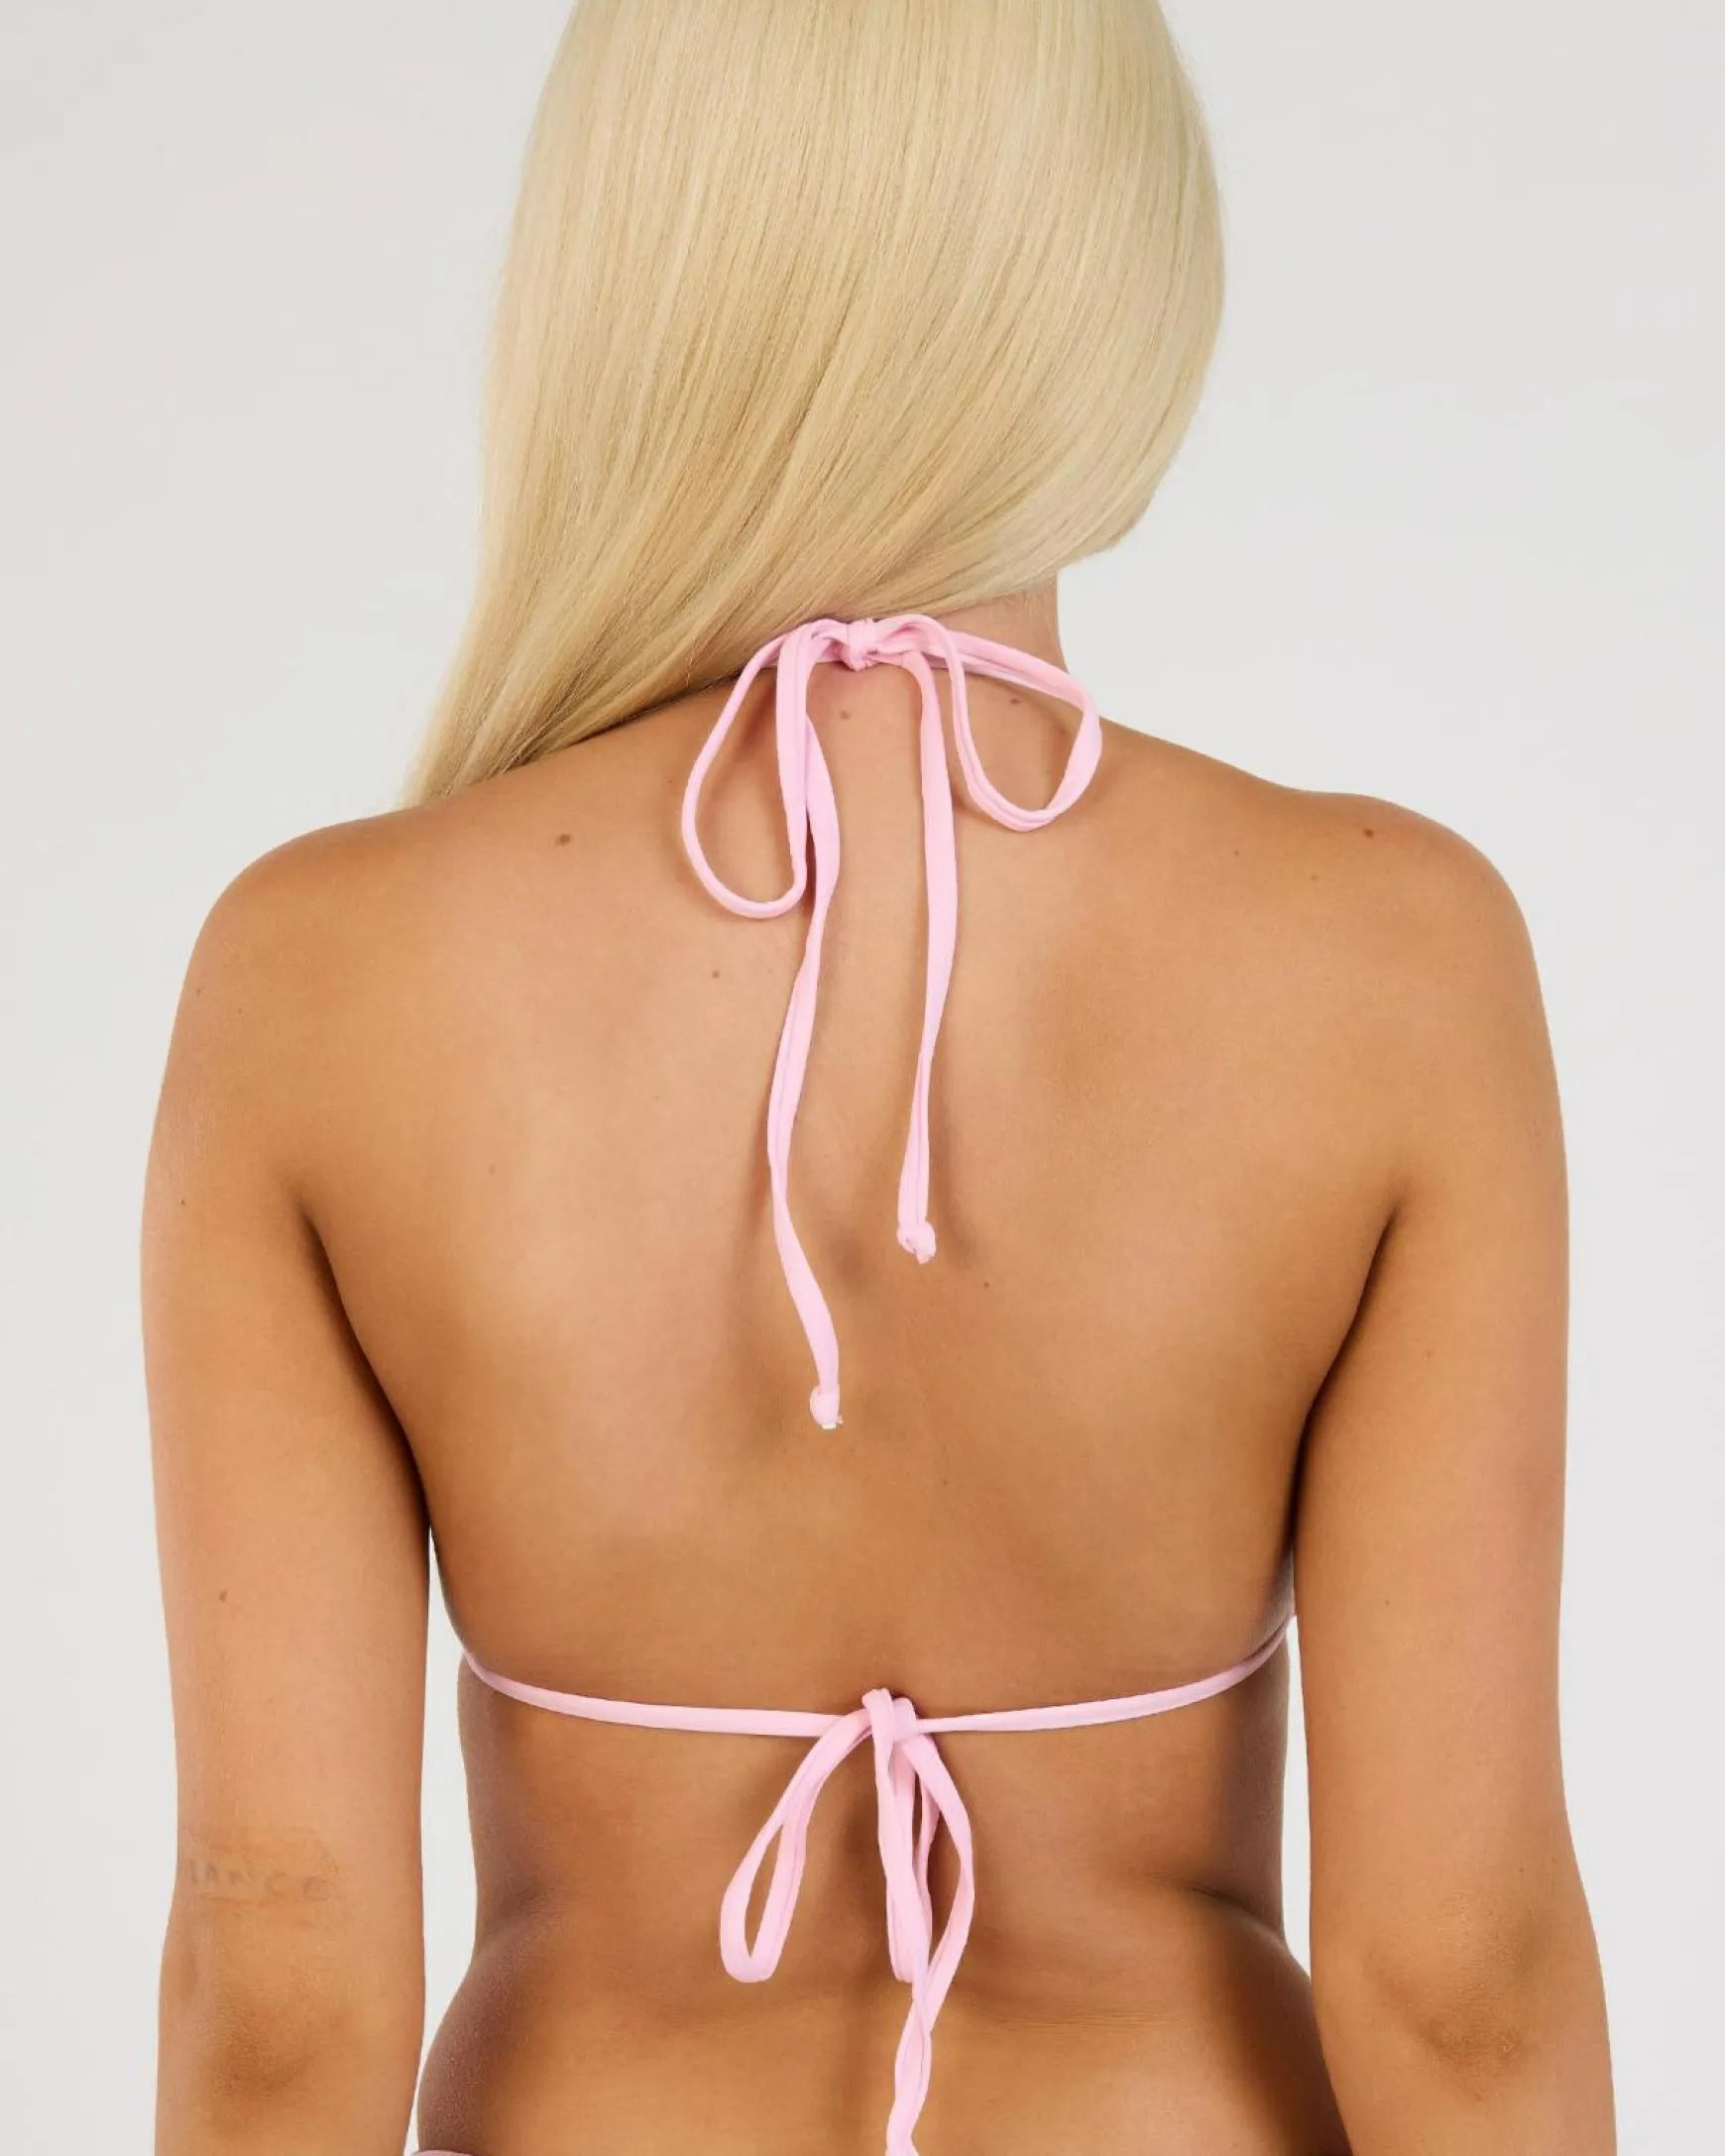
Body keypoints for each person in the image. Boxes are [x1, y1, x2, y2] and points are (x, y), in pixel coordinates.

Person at [144, 4, 1614, 2152]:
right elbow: (1463, 1989)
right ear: (1111, 288)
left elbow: (280, 1985)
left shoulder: (317, 979)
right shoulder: (1396, 957)